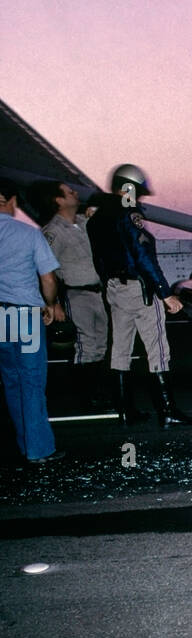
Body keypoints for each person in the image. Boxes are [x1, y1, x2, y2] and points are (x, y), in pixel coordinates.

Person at [86, 164, 192, 427]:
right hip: (139, 289)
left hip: (114, 288)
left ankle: (126, 411)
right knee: (157, 349)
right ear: (130, 188)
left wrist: (110, 284)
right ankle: (167, 412)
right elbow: (143, 256)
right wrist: (165, 293)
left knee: (120, 350)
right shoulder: (129, 213)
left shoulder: (96, 219)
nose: (139, 198)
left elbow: (98, 260)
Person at [0, 178, 66, 464]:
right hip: (25, 315)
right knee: (32, 380)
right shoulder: (28, 234)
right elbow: (48, 277)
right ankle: (38, 449)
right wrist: (50, 304)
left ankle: (24, 442)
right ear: (12, 201)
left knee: (11, 380)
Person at [32, 181, 109, 409]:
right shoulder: (52, 232)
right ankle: (87, 396)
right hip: (76, 294)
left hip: (97, 292)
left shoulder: (85, 223)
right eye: (69, 192)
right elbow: (45, 269)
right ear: (58, 200)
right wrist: (53, 303)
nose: (75, 193)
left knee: (100, 344)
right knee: (86, 344)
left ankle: (97, 392)